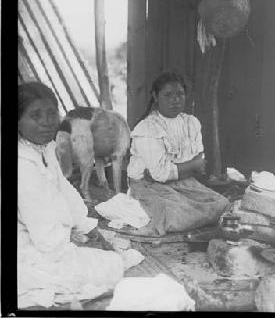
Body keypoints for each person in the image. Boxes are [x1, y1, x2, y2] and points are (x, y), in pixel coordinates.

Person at [17, 82, 125, 308]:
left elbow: (65, 191)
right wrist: (80, 245)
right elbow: (45, 237)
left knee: (115, 256)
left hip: (51, 240)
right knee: (112, 265)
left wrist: (87, 226)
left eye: (51, 113)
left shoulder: (44, 149)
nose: (47, 122)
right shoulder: (22, 164)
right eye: (36, 115)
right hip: (31, 247)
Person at [127, 72, 230, 236]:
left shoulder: (191, 123)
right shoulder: (148, 129)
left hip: (184, 182)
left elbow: (200, 162)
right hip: (148, 186)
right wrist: (191, 166)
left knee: (222, 204)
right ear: (155, 96)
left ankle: (189, 215)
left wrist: (184, 168)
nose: (175, 100)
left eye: (180, 94)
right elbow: (160, 175)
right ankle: (180, 217)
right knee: (173, 214)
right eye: (168, 95)